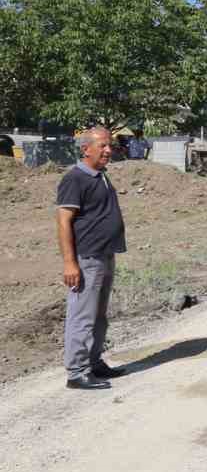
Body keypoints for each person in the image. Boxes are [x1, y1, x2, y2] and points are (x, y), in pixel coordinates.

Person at [56, 127, 127, 390]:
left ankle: (94, 362)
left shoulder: (101, 176)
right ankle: (77, 371)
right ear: (86, 149)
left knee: (99, 316)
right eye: (103, 146)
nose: (109, 150)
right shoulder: (75, 179)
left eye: (110, 145)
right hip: (86, 258)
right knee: (82, 316)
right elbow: (64, 221)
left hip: (104, 255)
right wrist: (69, 262)